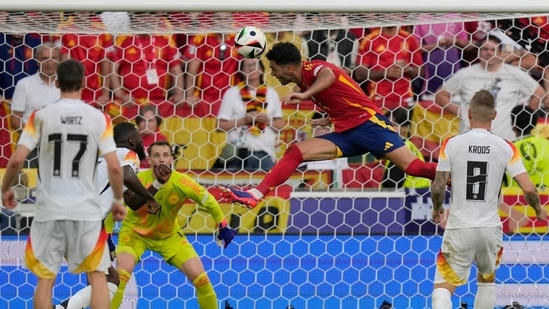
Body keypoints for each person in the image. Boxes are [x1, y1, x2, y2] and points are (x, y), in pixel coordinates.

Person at [220, 42, 438, 209]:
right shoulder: (302, 80)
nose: (273, 74)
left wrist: (305, 95)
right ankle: (255, 195)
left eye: (275, 69)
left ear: (288, 68)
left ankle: (459, 176)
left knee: (415, 168)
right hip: (348, 133)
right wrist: (329, 117)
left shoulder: (315, 68)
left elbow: (330, 75)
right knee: (295, 151)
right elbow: (342, 99)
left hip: (371, 127)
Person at [1, 59, 127, 309]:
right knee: (98, 277)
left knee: (46, 279)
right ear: (83, 83)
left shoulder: (40, 116)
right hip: (86, 211)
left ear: (56, 83)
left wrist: (6, 189)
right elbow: (114, 166)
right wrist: (117, 200)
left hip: (50, 210)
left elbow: (16, 160)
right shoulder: (99, 118)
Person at [430, 89, 547, 309]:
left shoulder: (451, 144)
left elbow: (438, 186)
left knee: (442, 290)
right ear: (494, 115)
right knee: (486, 283)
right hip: (490, 228)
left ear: (468, 113)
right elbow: (529, 189)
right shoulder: (506, 147)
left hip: (459, 226)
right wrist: (538, 210)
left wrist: (437, 208)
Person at [110, 140, 236, 309]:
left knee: (202, 279)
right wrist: (107, 236)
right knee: (121, 275)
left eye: (165, 155)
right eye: (156, 155)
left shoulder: (181, 182)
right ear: (149, 160)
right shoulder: (137, 180)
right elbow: (115, 207)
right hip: (134, 234)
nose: (161, 159)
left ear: (171, 159)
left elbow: (208, 200)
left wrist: (223, 225)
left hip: (168, 236)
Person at [54, 122, 161, 309]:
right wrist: (151, 199)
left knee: (99, 281)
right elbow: (128, 175)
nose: (142, 142)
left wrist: (157, 184)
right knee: (110, 279)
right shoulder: (127, 155)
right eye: (139, 138)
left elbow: (132, 202)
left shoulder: (103, 161)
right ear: (131, 140)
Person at [435, 34, 547, 142]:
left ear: (500, 53)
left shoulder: (512, 73)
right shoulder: (466, 74)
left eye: (493, 50)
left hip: (505, 138)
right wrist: (462, 113)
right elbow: (441, 94)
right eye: (485, 49)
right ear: (479, 52)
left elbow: (539, 93)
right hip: (471, 138)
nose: (489, 53)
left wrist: (522, 116)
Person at [215, 58, 285, 171]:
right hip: (237, 154)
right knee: (233, 187)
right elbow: (219, 126)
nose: (251, 68)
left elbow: (281, 127)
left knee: (266, 187)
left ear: (262, 69)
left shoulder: (272, 93)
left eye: (255, 65)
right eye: (247, 66)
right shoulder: (232, 93)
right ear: (241, 70)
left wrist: (267, 121)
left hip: (265, 154)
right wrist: (244, 120)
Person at [10, 42, 61, 168]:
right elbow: (15, 118)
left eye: (53, 58)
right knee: (28, 184)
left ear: (59, 60)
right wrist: (34, 136)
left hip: (59, 145)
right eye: (44, 58)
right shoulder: (24, 84)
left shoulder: (66, 85)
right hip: (30, 146)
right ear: (37, 61)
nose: (49, 62)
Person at [354, 26, 423, 111]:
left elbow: (420, 71)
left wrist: (407, 68)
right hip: (378, 99)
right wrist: (385, 73)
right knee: (381, 124)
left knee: (403, 124)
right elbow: (359, 74)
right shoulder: (369, 40)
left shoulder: (409, 38)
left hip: (405, 99)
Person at [382, 108, 430, 189]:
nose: (388, 128)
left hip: (407, 197)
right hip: (420, 195)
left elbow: (391, 184)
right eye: (386, 124)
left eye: (394, 125)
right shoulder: (409, 145)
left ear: (404, 127)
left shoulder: (398, 148)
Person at [505, 105, 549, 189]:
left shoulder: (509, 150)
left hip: (516, 199)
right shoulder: (546, 145)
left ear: (513, 126)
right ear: (535, 124)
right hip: (546, 199)